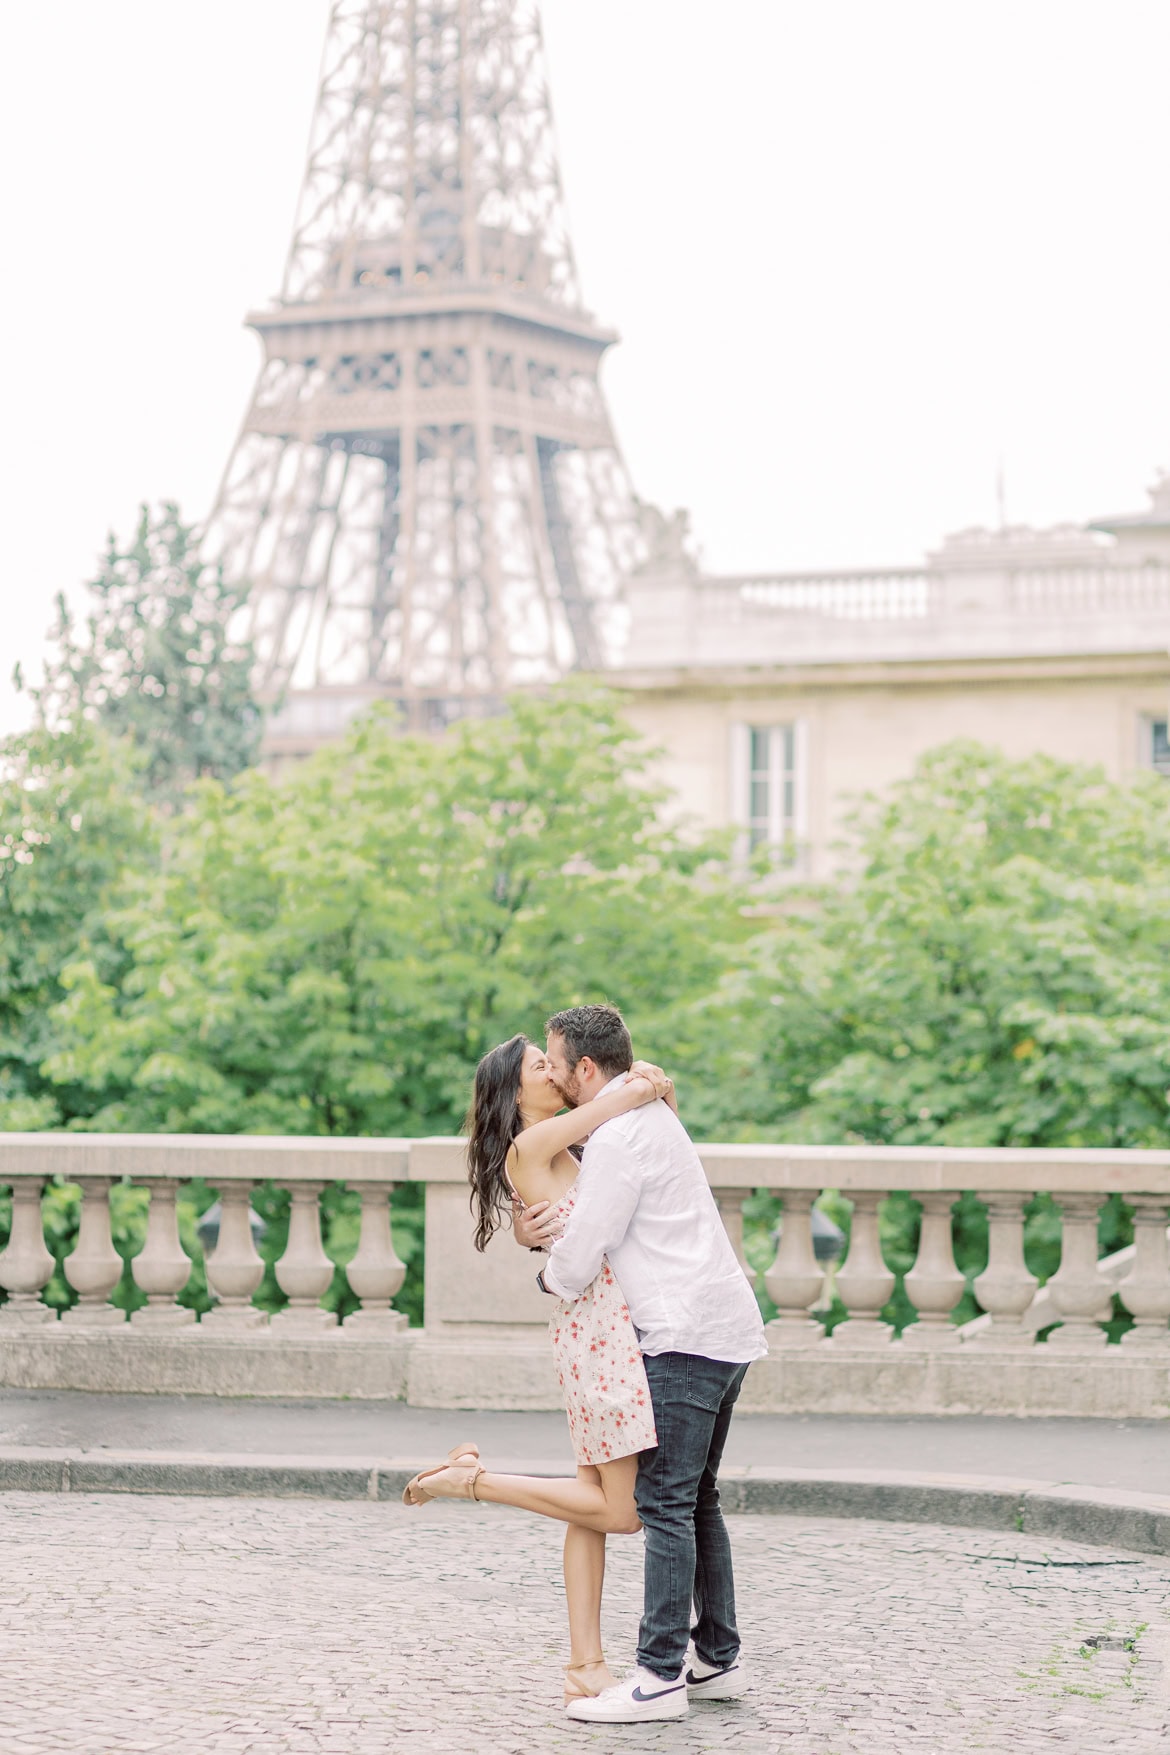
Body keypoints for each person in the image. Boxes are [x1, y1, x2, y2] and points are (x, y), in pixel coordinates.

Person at [400, 1030, 674, 1708]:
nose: (553, 1070)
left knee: (586, 1505)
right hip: (599, 1334)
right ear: (513, 1091)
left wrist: (645, 1082)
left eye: (552, 1060)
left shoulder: (561, 1147)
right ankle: (473, 1481)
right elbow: (626, 1097)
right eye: (538, 1065)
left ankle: (586, 1666)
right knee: (623, 1511)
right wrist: (641, 1079)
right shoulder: (533, 1145)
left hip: (601, 1327)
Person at [514, 1004, 767, 1724]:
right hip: (725, 1326)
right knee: (699, 1499)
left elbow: (585, 1247)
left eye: (558, 1067)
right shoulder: (648, 1116)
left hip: (682, 1335)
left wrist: (544, 1275)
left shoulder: (619, 1135)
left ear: (586, 1068)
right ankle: (717, 1658)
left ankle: (658, 1676)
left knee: (663, 1506)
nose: (556, 1081)